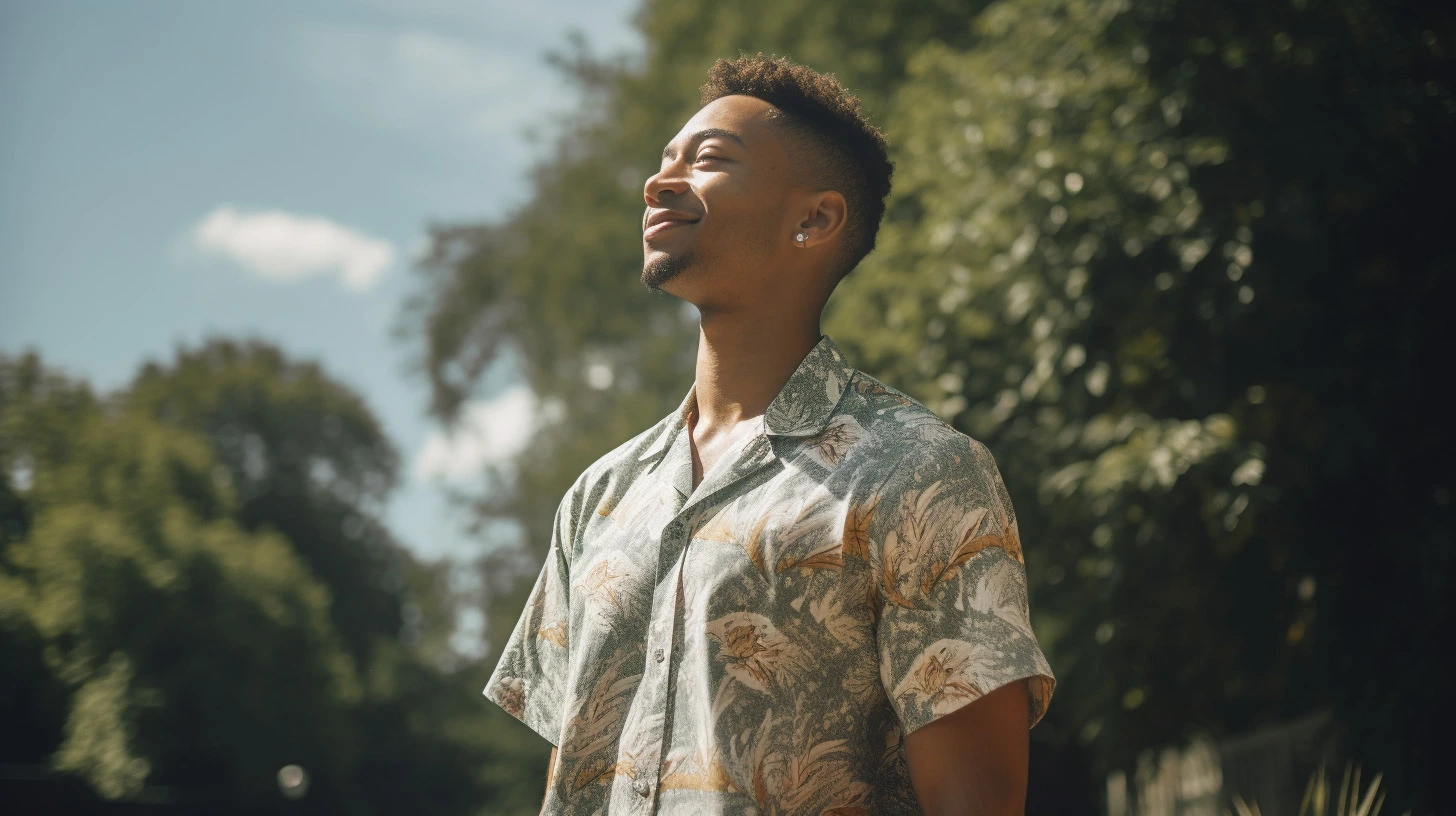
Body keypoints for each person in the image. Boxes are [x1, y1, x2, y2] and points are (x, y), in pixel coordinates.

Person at [485, 53, 1056, 815]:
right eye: (664, 162)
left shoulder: (923, 474)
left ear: (813, 219)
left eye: (709, 159)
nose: (659, 182)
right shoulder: (600, 498)